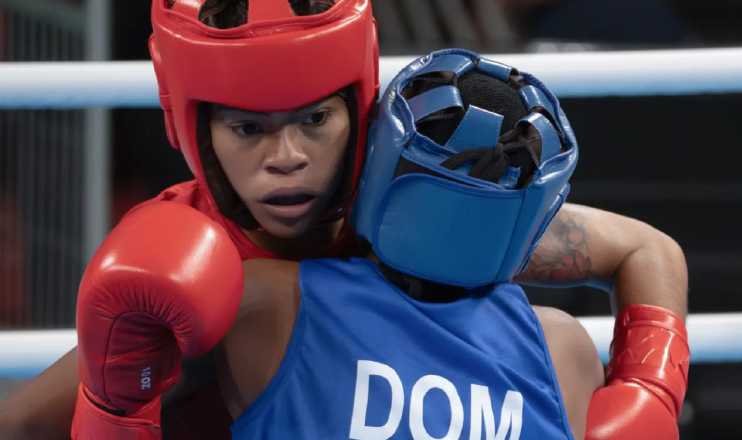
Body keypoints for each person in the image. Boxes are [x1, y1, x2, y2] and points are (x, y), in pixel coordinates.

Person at [0, 1, 688, 439]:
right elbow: (24, 423)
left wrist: (647, 402)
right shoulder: (196, 261)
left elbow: (642, 249)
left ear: (356, 109)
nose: (288, 159)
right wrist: (117, 406)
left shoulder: (412, 210)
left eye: (315, 120)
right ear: (196, 130)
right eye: (247, 129)